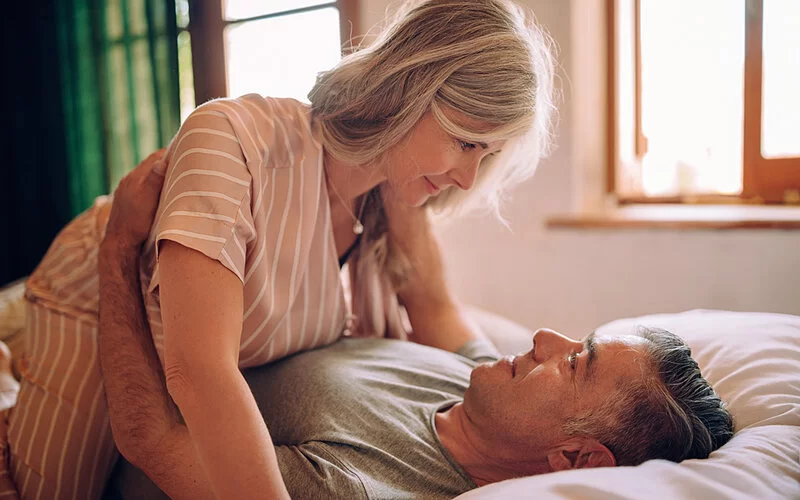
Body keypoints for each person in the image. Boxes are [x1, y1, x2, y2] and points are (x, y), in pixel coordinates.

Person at [5, 0, 556, 498]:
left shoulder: (394, 199)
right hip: (94, 292)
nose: (467, 178)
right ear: (409, 88)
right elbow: (199, 374)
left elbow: (437, 312)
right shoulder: (232, 140)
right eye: (466, 143)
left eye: (484, 156)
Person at [97, 160, 734, 499]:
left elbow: (151, 438)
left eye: (574, 363)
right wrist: (401, 157)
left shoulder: (368, 487)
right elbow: (428, 295)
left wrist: (120, 244)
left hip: (131, 356)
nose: (544, 339)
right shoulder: (482, 384)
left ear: (573, 458)